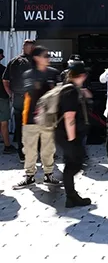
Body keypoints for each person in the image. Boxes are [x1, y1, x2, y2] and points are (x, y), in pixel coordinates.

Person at [13, 46, 61, 189]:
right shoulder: (28, 74)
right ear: (36, 57)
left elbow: (58, 92)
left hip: (49, 118)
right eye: (45, 56)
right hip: (30, 118)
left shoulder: (54, 72)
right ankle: (29, 176)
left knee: (49, 149)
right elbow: (31, 90)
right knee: (29, 149)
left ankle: (48, 174)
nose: (48, 58)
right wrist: (48, 87)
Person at [56, 61, 91, 208]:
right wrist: (71, 140)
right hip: (68, 135)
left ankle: (71, 196)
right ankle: (71, 196)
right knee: (74, 164)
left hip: (68, 134)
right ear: (82, 75)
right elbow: (69, 116)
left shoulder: (73, 89)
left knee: (74, 163)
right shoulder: (70, 91)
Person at [3, 39, 35, 162]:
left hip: (19, 98)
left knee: (20, 126)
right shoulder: (34, 61)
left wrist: (11, 94)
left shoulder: (13, 61)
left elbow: (5, 81)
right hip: (29, 98)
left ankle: (23, 154)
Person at [0, 49, 15, 154]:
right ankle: (7, 146)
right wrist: (11, 95)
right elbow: (7, 84)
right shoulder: (3, 70)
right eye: (2, 55)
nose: (4, 56)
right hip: (2, 98)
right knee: (4, 122)